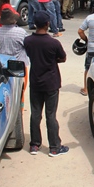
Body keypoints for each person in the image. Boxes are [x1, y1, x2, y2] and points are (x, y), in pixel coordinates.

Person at [23, 11, 68, 157]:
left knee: (35, 114)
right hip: (51, 82)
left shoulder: (28, 41)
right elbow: (63, 58)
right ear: (48, 24)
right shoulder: (53, 43)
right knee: (51, 115)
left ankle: (34, 144)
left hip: (35, 82)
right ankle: (54, 147)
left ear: (35, 23)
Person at [0, 9, 29, 106]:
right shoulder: (20, 32)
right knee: (20, 91)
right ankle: (20, 110)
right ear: (14, 21)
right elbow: (27, 45)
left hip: (4, 64)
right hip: (20, 64)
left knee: (8, 89)